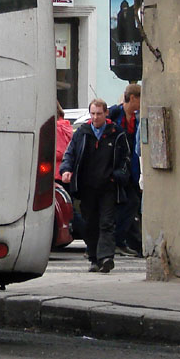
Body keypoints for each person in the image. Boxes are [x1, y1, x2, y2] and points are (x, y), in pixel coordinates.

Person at [59, 98, 131, 273]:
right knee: (90, 223)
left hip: (108, 186)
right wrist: (66, 170)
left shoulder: (116, 133)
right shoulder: (82, 133)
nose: (96, 117)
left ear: (106, 113)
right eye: (93, 114)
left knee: (107, 222)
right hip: (87, 187)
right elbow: (70, 153)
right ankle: (93, 257)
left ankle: (106, 257)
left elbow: (126, 158)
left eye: (99, 113)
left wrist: (118, 176)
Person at [109, 84, 143, 257]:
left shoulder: (137, 119)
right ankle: (116, 241)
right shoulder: (114, 114)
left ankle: (123, 241)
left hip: (131, 169)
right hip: (115, 168)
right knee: (130, 203)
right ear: (133, 98)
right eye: (140, 99)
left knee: (131, 203)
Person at [55, 102, 74, 178]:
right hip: (65, 172)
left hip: (58, 173)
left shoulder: (57, 127)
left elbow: (60, 152)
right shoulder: (66, 125)